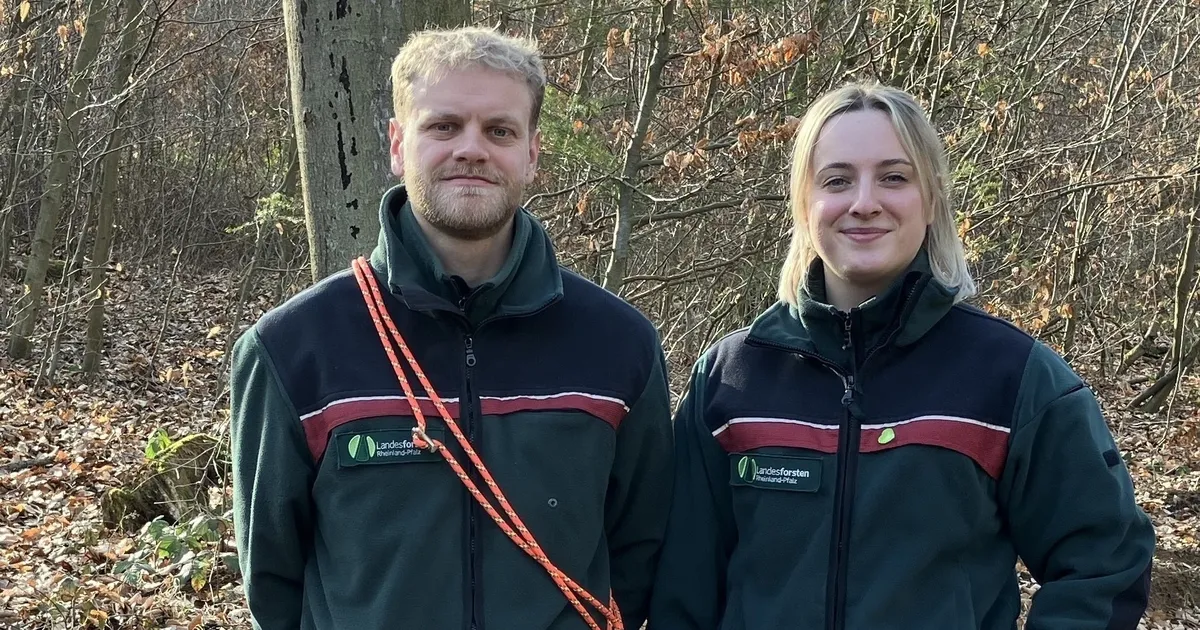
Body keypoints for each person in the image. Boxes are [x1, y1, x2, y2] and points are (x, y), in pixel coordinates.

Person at [646, 82, 1155, 630]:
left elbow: (1105, 560)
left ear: (930, 198)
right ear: (804, 202)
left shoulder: (1012, 378)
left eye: (894, 177)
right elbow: (685, 593)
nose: (864, 203)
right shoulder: (732, 380)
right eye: (837, 180)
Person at [229, 26, 673, 630]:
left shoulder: (619, 348)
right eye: (444, 126)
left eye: (500, 131)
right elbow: (273, 583)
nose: (472, 149)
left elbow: (639, 556)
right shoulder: (292, 350)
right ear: (397, 143)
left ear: (532, 154)